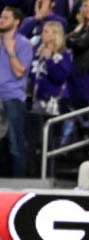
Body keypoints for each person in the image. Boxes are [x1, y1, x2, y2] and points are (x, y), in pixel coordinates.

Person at [1, 7, 34, 177]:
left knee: (15, 145)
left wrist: (10, 50)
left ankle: (18, 184)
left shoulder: (23, 43)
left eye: (6, 18)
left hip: (12, 98)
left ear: (16, 22)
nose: (1, 20)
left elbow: (20, 71)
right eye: (1, 17)